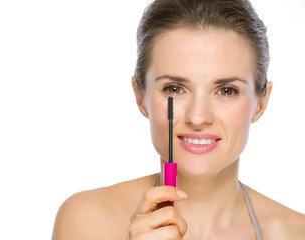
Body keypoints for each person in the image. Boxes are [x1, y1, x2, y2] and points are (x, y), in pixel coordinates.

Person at [52, 0, 305, 239]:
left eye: (226, 91)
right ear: (140, 96)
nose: (198, 117)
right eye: (174, 89)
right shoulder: (87, 222)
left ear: (261, 103)